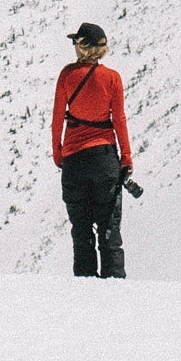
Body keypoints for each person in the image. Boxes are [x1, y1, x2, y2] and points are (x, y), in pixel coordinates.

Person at [51, 21, 132, 278]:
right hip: (104, 158)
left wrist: (58, 152)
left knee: (81, 232)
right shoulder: (112, 78)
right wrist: (126, 157)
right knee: (109, 229)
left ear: (81, 46)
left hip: (74, 159)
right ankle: (114, 286)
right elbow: (119, 120)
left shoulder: (67, 75)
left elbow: (56, 119)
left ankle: (85, 287)